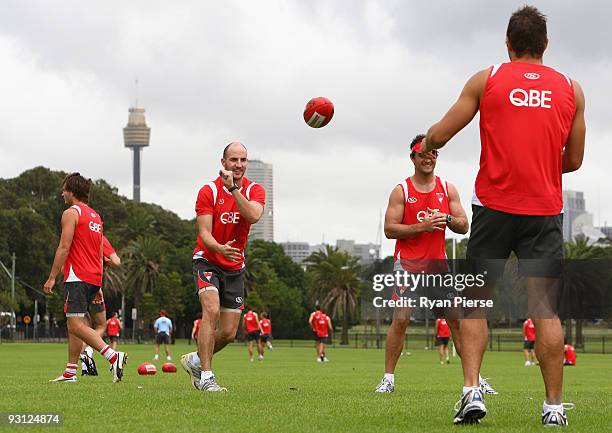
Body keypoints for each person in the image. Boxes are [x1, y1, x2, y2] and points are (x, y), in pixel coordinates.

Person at [423, 6, 585, 426]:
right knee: (545, 311)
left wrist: (427, 144)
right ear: (545, 45)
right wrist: (542, 164)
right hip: (544, 212)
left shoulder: (487, 78)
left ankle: (472, 391)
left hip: (493, 209)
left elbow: (438, 135)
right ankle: (552, 408)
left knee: (475, 304)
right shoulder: (572, 88)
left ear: (507, 43)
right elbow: (575, 160)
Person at [374, 135, 475, 394]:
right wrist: (423, 226)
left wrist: (447, 218)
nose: (428, 158)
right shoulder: (402, 191)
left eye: (433, 153)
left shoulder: (447, 188)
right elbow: (389, 229)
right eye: (423, 154)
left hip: (438, 267)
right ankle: (388, 379)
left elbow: (464, 226)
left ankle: (475, 380)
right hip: (407, 265)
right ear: (413, 157)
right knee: (402, 319)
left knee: (456, 321)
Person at [180, 142, 266, 392]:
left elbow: (253, 216)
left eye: (243, 160)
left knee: (228, 333)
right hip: (207, 260)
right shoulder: (208, 191)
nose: (238, 164)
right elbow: (204, 233)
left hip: (235, 266)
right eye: (234, 160)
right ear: (223, 163)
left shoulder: (254, 190)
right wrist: (218, 248)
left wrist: (234, 189)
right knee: (211, 311)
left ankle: (196, 360)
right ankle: (206, 376)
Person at [44, 173, 126, 383]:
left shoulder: (71, 213)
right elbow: (99, 251)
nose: (62, 193)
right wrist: (97, 282)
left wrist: (52, 277)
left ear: (71, 191)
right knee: (76, 323)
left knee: (74, 325)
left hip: (77, 276)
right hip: (93, 277)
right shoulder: (96, 216)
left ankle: (112, 356)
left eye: (64, 190)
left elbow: (64, 247)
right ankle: (71, 372)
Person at [81, 235, 121, 376]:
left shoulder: (77, 238)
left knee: (81, 328)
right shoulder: (99, 238)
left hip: (74, 287)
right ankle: (88, 351)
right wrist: (106, 261)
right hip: (93, 287)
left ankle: (78, 367)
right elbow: (116, 262)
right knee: (100, 326)